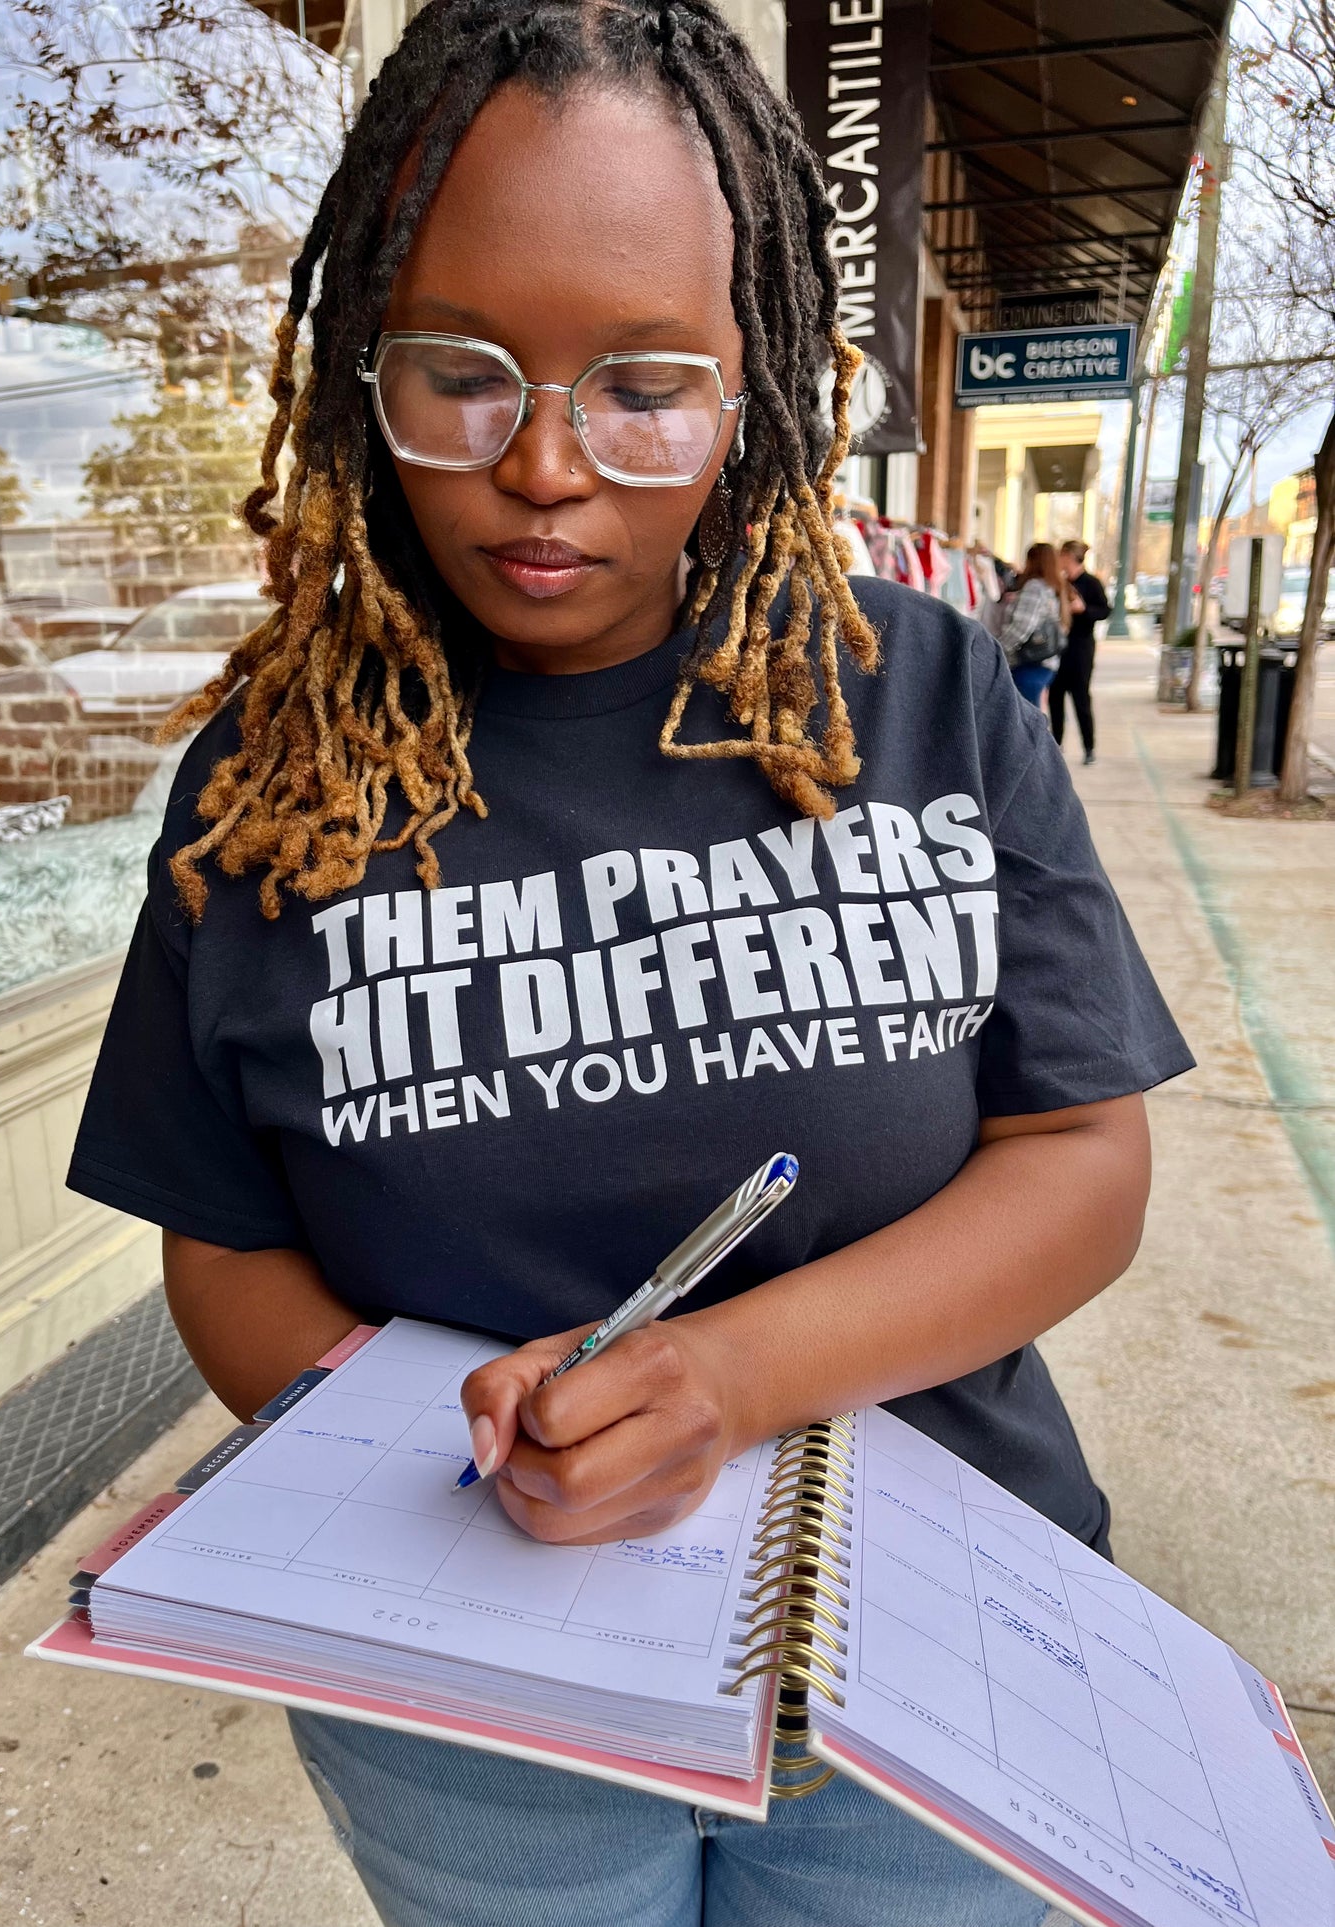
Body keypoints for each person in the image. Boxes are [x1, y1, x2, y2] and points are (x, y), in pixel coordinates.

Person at [65, 4, 1192, 1923]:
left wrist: (723, 1373)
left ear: (753, 385)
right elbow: (221, 1239)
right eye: (466, 376)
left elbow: (1084, 1161)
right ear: (365, 378)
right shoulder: (273, 791)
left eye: (644, 382)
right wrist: (440, 1443)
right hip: (465, 1690)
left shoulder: (916, 699)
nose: (548, 469)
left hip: (926, 1650)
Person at [998, 541, 1082, 711]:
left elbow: (1022, 627)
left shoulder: (1035, 587)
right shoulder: (1054, 587)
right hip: (1044, 663)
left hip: (1028, 664)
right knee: (1031, 719)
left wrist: (996, 648)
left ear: (1033, 561)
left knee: (1026, 724)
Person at [1051, 538, 1110, 764]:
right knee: (1056, 698)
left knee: (1081, 699)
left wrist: (1084, 610)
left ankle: (1089, 747)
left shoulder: (1091, 583)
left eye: (1062, 556)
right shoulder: (1059, 582)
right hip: (1059, 648)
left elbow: (1105, 610)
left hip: (1081, 648)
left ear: (1069, 557)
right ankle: (1056, 744)